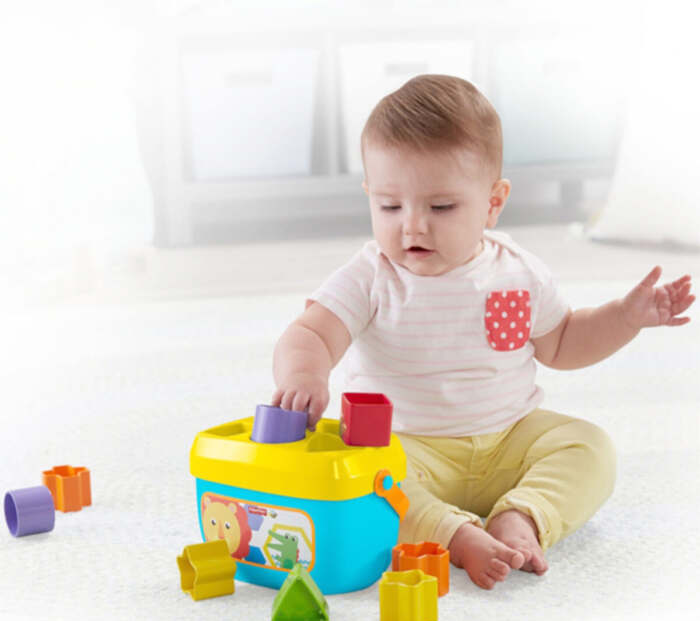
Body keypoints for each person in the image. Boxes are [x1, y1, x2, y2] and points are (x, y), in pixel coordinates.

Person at [270, 74, 695, 590]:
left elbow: (564, 342)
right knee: (363, 484)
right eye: (390, 206)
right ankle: (454, 533)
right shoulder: (370, 276)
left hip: (509, 440)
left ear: (493, 202)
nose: (412, 226)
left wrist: (624, 318)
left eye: (440, 207)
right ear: (370, 197)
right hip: (406, 449)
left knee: (592, 448)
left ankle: (521, 515)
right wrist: (304, 375)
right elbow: (312, 333)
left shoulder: (517, 272)